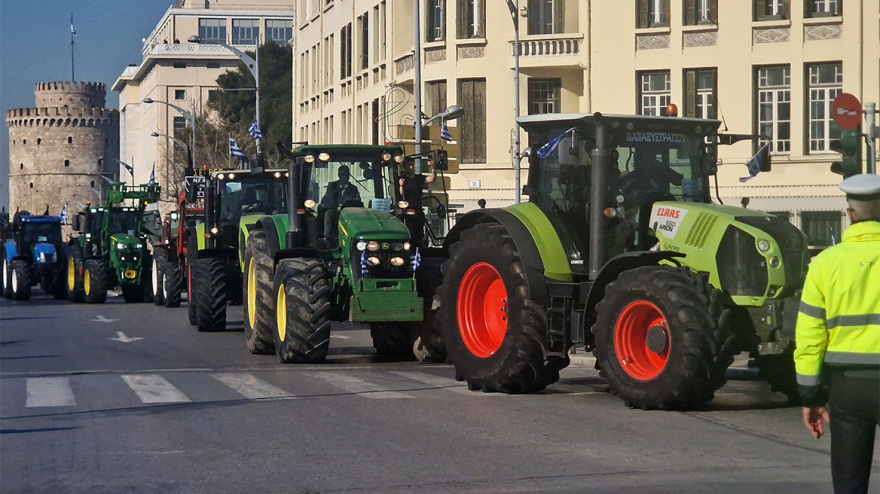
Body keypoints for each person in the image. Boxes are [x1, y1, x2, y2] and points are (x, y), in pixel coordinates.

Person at [794, 173, 880, 494]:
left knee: (848, 482)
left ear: (851, 214)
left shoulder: (825, 264)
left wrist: (810, 395)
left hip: (847, 390)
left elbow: (810, 336)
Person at [398, 159, 436, 248]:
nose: (411, 167)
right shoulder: (403, 178)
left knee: (419, 232)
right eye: (409, 165)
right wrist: (401, 185)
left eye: (412, 165)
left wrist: (433, 168)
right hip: (406, 211)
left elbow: (431, 179)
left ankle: (419, 249)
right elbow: (401, 193)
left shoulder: (418, 178)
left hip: (417, 209)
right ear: (405, 167)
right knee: (409, 232)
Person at [318, 165, 360, 240]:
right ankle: (327, 236)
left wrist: (350, 199)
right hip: (334, 209)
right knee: (328, 213)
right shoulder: (332, 186)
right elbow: (327, 198)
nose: (345, 177)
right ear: (339, 175)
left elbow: (358, 200)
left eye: (347, 175)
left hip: (349, 212)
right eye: (343, 174)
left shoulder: (353, 188)